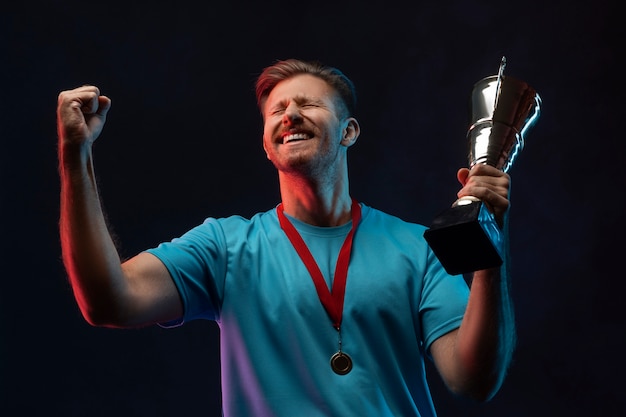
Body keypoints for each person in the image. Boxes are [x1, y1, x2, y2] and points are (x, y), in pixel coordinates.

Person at [57, 58, 516, 417]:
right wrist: (76, 157)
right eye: (278, 109)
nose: (291, 113)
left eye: (309, 104)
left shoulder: (418, 247)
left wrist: (488, 247)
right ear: (266, 142)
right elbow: (107, 301)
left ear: (349, 131)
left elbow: (474, 380)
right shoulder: (224, 247)